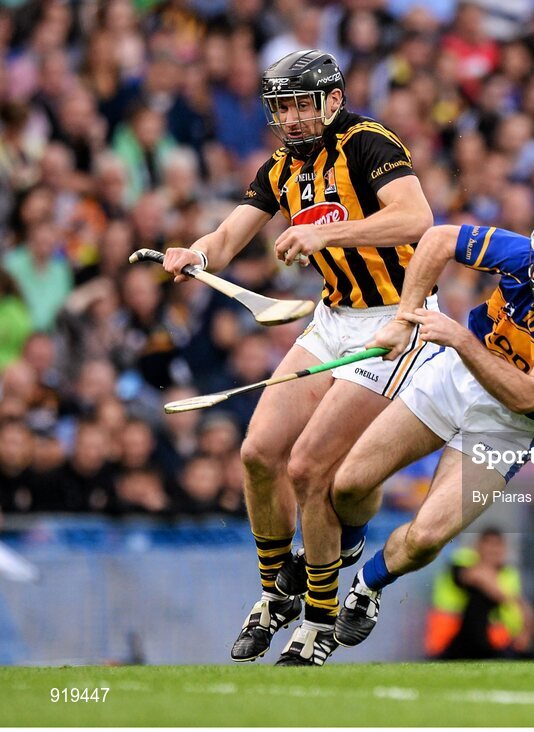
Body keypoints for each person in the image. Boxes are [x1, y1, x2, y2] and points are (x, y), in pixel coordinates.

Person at [160, 49, 437, 666]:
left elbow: (418, 219)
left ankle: (316, 623)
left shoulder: (369, 143)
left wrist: (323, 233)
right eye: (280, 107)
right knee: (259, 453)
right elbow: (229, 237)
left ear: (332, 100)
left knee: (311, 468)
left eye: (300, 105)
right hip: (331, 320)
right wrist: (195, 255)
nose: (289, 118)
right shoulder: (282, 167)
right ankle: (273, 594)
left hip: (393, 322)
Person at [324, 213, 534, 659]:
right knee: (348, 485)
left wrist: (462, 341)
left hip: (509, 424)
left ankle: (366, 586)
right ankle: (350, 548)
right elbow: (437, 239)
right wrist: (406, 318)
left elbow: (525, 396)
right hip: (452, 378)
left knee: (427, 537)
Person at [424, 528, 534, 660]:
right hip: (448, 637)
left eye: (497, 545)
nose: (492, 550)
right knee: (480, 597)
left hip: (494, 640)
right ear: (478, 546)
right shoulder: (463, 559)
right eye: (488, 544)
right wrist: (516, 603)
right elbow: (478, 577)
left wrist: (525, 629)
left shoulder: (509, 573)